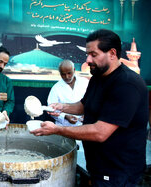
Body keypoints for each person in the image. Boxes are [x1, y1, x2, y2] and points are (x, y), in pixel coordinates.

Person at [31, 29, 148, 186]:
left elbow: (100, 132)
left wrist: (57, 130)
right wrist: (61, 106)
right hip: (98, 166)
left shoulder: (127, 84)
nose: (87, 60)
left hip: (119, 172)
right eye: (87, 54)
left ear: (112, 53)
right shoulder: (97, 77)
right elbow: (83, 106)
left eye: (94, 54)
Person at [47, 59, 89, 126]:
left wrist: (87, 115)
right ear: (60, 73)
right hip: (64, 128)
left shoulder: (85, 83)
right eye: (63, 74)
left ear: (74, 70)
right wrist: (65, 116)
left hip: (85, 126)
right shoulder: (56, 88)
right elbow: (51, 109)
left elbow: (93, 102)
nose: (67, 77)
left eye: (69, 73)